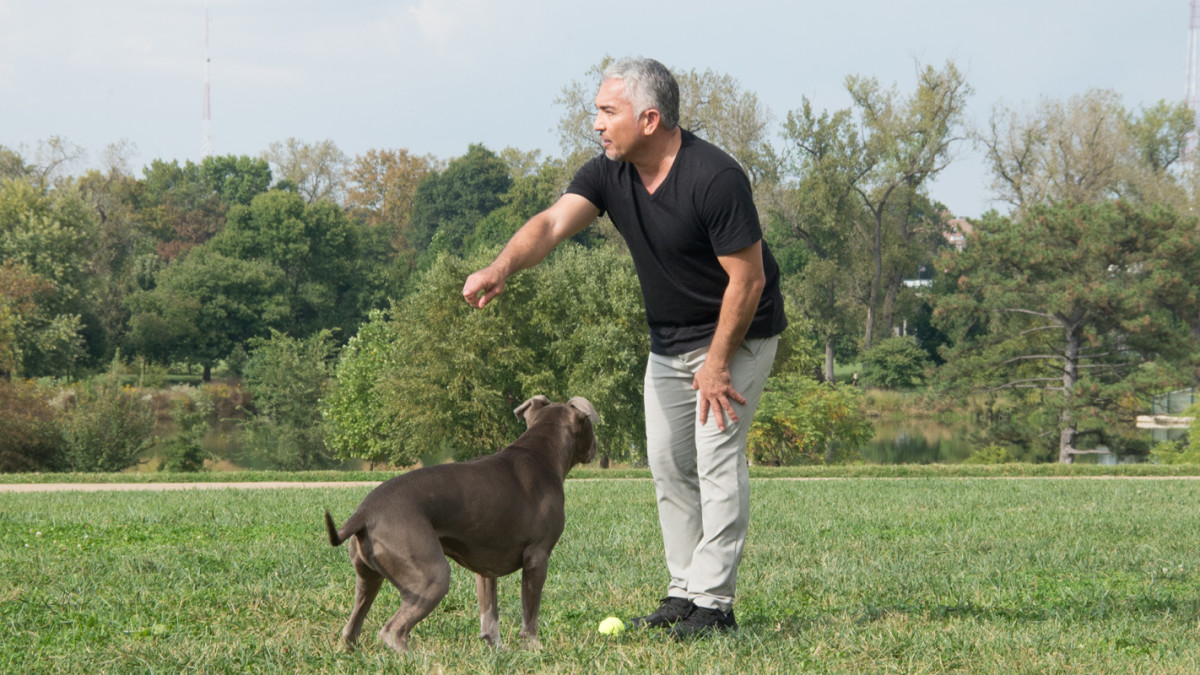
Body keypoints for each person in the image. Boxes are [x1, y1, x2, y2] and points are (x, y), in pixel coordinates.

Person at [462, 57, 786, 639]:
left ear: (650, 119)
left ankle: (715, 605)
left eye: (608, 112)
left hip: (738, 334)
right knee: (668, 464)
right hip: (670, 340)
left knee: (715, 460)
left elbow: (749, 279)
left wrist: (717, 364)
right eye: (598, 112)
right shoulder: (609, 172)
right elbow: (551, 224)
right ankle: (684, 592)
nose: (597, 124)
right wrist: (501, 266)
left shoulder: (714, 177)